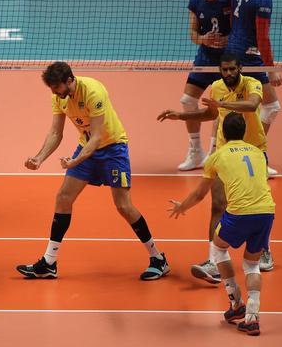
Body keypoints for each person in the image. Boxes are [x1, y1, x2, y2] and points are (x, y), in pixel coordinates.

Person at [16, 62, 169, 280]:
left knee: (124, 206)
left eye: (57, 88)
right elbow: (55, 133)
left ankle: (158, 259)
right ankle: (49, 263)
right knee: (63, 197)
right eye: (51, 89)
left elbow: (97, 137)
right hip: (86, 146)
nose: (54, 93)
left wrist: (75, 160)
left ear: (70, 81)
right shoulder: (58, 96)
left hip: (113, 148)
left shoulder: (93, 91)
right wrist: (39, 158)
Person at [158, 53, 274, 283]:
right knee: (218, 205)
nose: (229, 73)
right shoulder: (217, 87)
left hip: (254, 150)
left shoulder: (253, 84)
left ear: (240, 67)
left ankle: (264, 250)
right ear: (220, 70)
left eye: (232, 69)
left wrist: (221, 104)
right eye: (225, 70)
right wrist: (181, 116)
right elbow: (211, 114)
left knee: (257, 202)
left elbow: (251, 106)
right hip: (225, 150)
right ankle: (214, 262)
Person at [169, 112, 274, 336]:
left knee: (218, 249)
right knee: (252, 265)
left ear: (222, 134)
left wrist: (181, 207)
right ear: (244, 132)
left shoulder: (217, 156)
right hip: (266, 211)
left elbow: (199, 194)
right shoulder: (258, 152)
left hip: (239, 213)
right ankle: (252, 318)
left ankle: (236, 302)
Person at [227, 0, 282, 179]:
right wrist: (271, 70)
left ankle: (235, 153)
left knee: (241, 106)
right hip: (249, 57)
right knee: (272, 106)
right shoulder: (263, 0)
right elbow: (262, 38)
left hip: (233, 48)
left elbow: (233, 17)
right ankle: (254, 155)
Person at [177, 0, 233, 171]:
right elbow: (193, 34)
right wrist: (203, 39)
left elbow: (242, 25)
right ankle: (196, 151)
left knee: (220, 105)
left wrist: (229, 39)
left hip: (227, 60)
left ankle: (214, 152)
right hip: (205, 58)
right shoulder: (195, 0)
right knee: (188, 100)